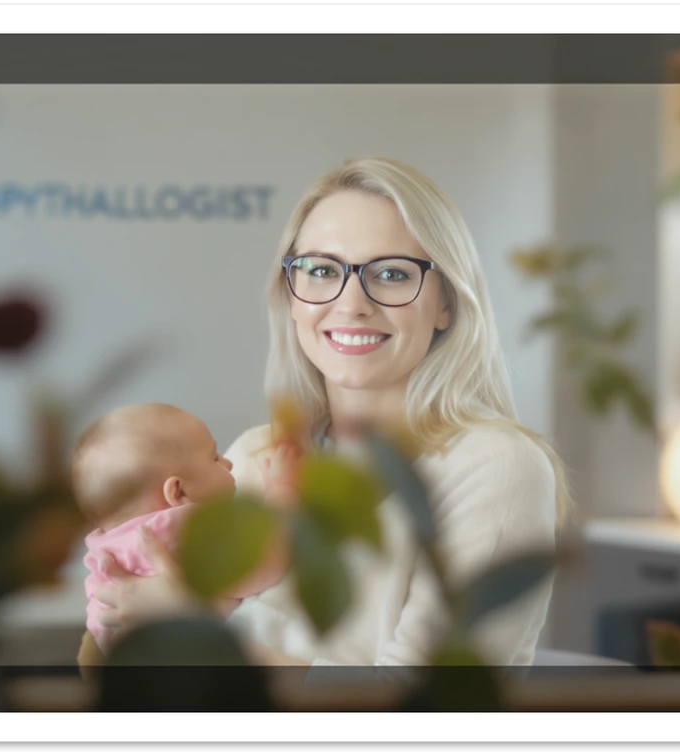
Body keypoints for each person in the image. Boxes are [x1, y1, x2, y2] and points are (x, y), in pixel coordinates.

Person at [82, 157, 574, 677]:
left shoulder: (497, 466)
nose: (352, 303)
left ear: (446, 303)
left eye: (391, 274)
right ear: (291, 296)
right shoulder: (251, 456)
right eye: (321, 271)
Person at [73, 403, 301, 655]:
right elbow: (267, 563)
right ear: (178, 491)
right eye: (214, 457)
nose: (228, 463)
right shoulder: (185, 531)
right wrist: (282, 489)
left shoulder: (106, 554)